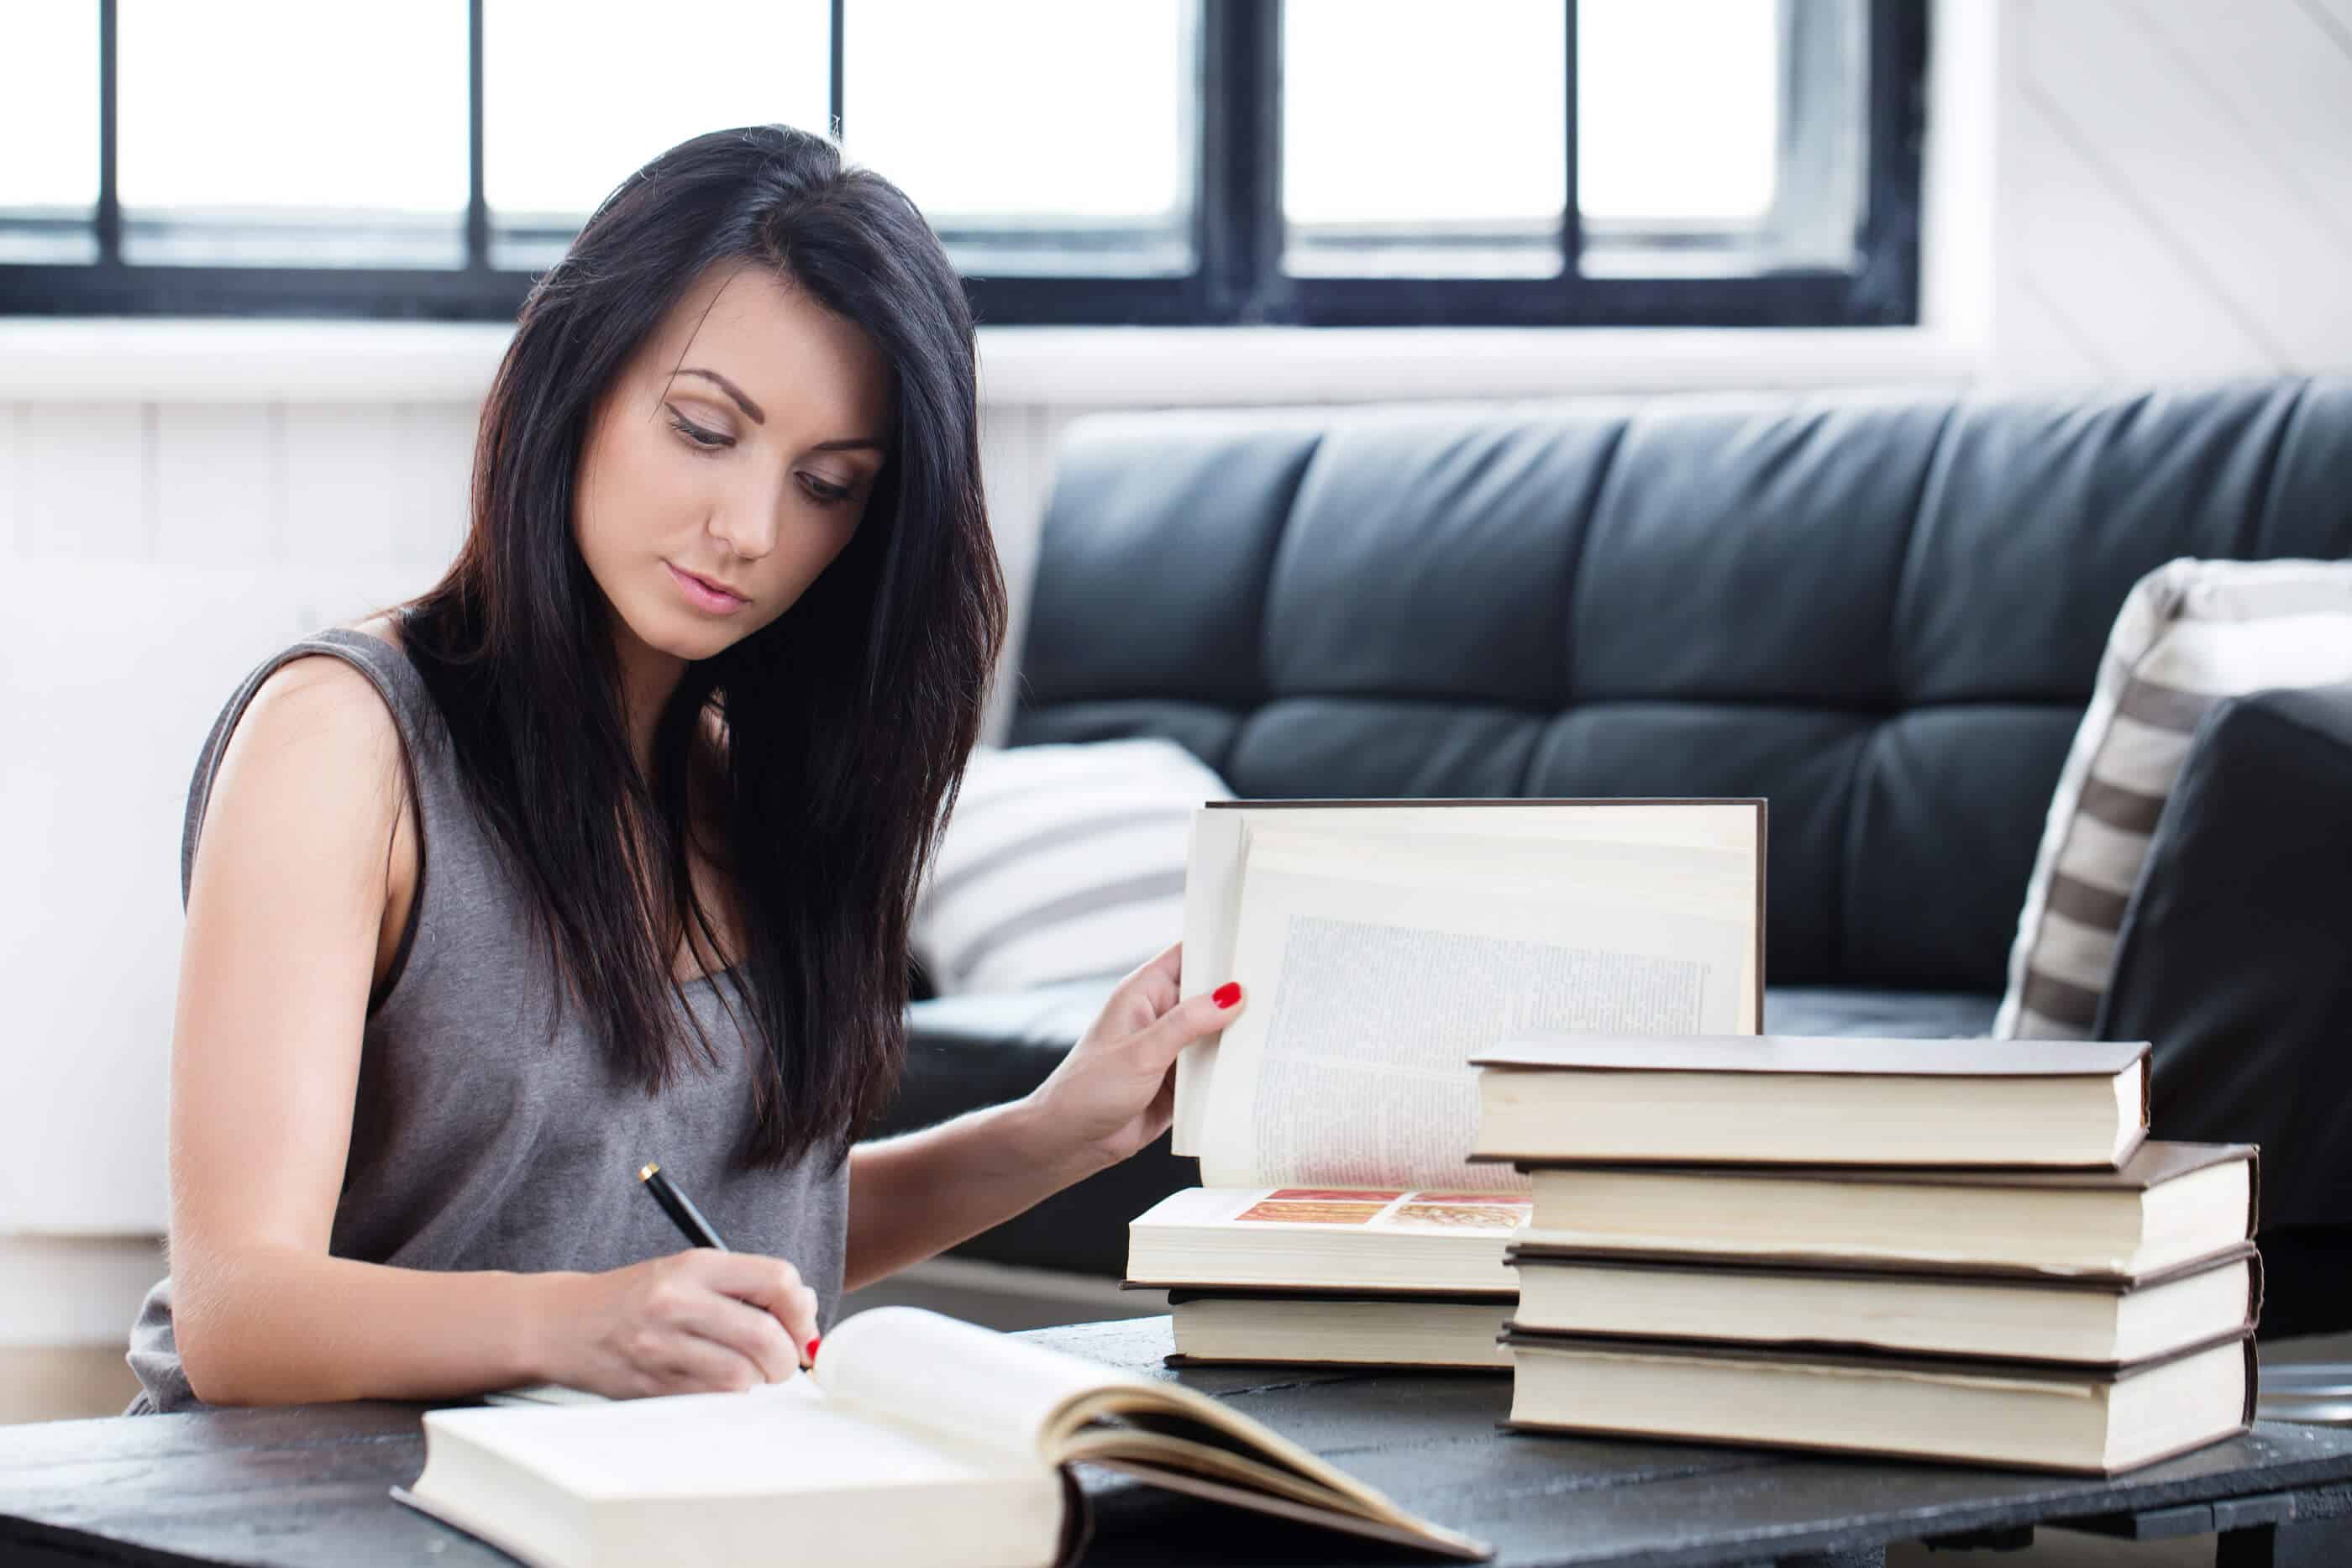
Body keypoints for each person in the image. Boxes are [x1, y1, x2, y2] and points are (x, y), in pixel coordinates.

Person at [124, 123, 1247, 1413]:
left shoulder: (748, 786)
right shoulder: (344, 736)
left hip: (626, 1505)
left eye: (827, 486)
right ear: (579, 379)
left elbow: (742, 1236)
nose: (752, 530)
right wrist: (573, 1324)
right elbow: (238, 1314)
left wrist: (1049, 1135)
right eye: (706, 429)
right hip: (305, 1510)